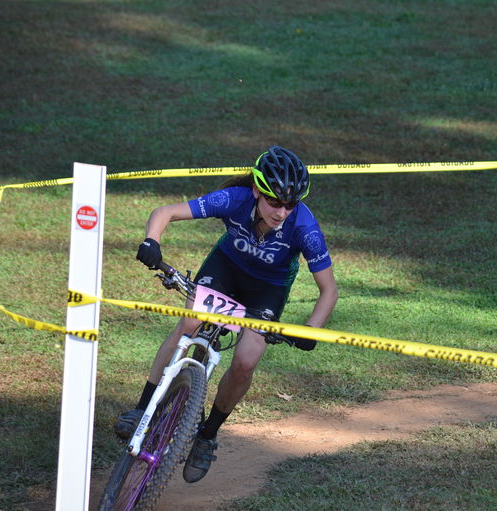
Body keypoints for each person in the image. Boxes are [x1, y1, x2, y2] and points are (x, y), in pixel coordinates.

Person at [114, 146, 338, 484]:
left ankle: (206, 435)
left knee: (246, 360)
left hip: (267, 289)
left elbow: (329, 290)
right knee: (190, 322)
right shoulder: (233, 199)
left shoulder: (304, 226)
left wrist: (312, 330)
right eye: (274, 202)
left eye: (290, 205)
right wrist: (151, 241)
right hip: (225, 269)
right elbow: (165, 212)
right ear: (257, 192)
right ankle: (143, 407)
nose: (282, 212)